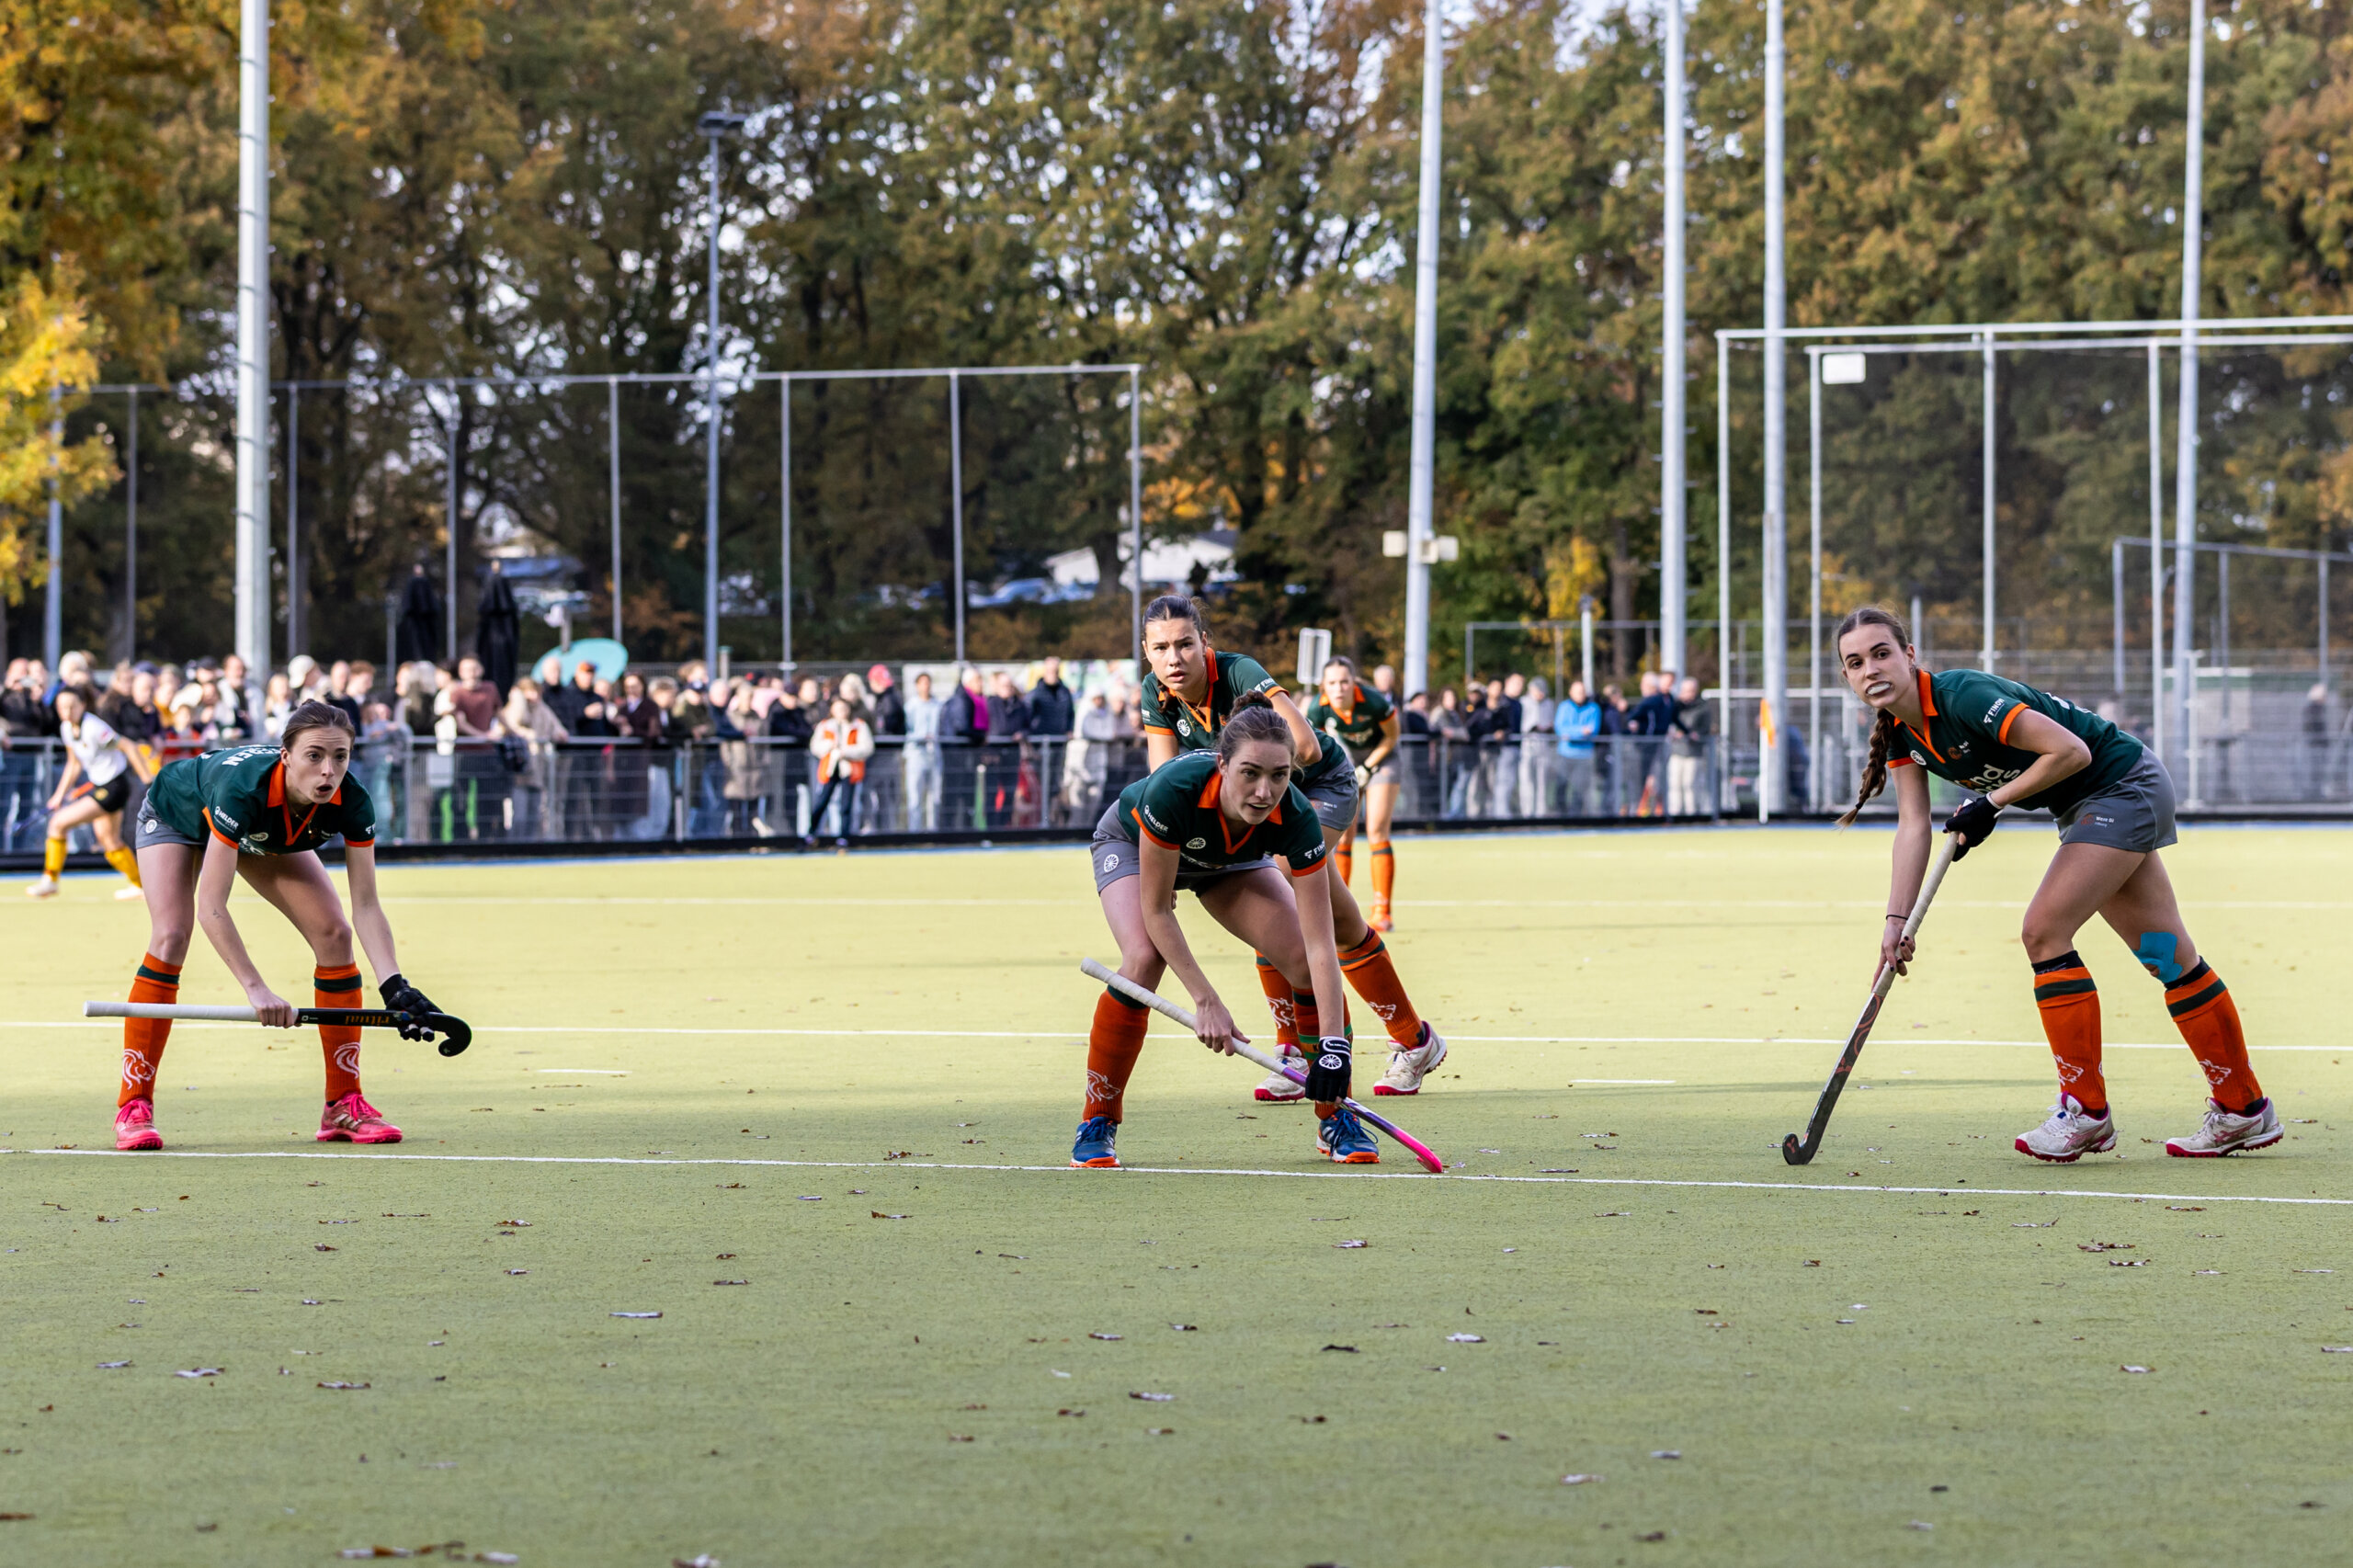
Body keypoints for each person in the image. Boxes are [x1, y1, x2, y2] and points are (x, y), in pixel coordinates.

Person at [1835, 605, 2279, 1162]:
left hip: (2123, 786)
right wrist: (1896, 923)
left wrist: (1991, 803)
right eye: (1856, 662)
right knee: (2167, 955)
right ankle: (2244, 1109)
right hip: (2087, 806)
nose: (1872, 669)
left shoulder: (1963, 696)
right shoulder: (1903, 734)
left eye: (1881, 653)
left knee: (2043, 931)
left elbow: (2072, 751)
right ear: (1847, 676)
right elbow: (1913, 827)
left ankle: (2085, 1112)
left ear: (1909, 655)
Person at [1136, 596, 1446, 1100]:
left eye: (1185, 644)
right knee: (1330, 921)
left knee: (1281, 886)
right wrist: (1166, 858)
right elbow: (1163, 776)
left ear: (1204, 642)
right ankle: (1404, 1042)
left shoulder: (1238, 672)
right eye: (1161, 648)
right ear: (1147, 652)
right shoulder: (1156, 692)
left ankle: (1324, 1050)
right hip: (1261, 801)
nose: (1175, 658)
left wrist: (1248, 777)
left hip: (1317, 785)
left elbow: (1306, 747)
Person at [115, 701, 440, 1151]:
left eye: (340, 757)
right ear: (286, 757)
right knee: (171, 935)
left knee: (334, 934)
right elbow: (212, 906)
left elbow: (366, 905)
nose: (328, 771)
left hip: (258, 831)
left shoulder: (353, 800)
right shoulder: (242, 790)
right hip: (179, 814)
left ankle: (342, 1103)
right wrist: (256, 989)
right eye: (314, 756)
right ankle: (133, 1105)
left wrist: (394, 985)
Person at [1074, 701, 1368, 1168]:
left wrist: (1334, 1046)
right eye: (1250, 773)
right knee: (1144, 959)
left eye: (1279, 775)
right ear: (1223, 764)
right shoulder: (1174, 790)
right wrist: (1206, 1000)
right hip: (1131, 842)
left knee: (1298, 956)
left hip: (1229, 863)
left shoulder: (1297, 818)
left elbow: (1319, 944)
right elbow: (1156, 910)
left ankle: (1337, 1116)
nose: (1264, 792)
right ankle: (1098, 1119)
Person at [27, 687, 155, 900]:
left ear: (82, 705)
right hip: (101, 786)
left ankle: (50, 880)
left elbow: (129, 747)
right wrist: (59, 795)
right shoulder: (67, 728)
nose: (67, 712)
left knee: (58, 824)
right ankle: (141, 886)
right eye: (62, 707)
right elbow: (74, 763)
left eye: (72, 707)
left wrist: (148, 781)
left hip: (114, 787)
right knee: (110, 841)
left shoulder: (94, 727)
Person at [1306, 655, 1402, 930]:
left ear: (1353, 682)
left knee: (1376, 831)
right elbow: (1318, 746)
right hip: (1346, 764)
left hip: (1383, 759)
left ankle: (1382, 911)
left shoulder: (1375, 702)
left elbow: (1392, 736)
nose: (1339, 688)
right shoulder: (1318, 708)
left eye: (1344, 682)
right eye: (1332, 683)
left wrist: (1368, 767)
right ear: (1324, 685)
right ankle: (1338, 912)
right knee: (1342, 835)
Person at [806, 695, 876, 843]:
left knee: (846, 804)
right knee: (821, 802)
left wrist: (846, 752)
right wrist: (828, 746)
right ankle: (811, 833)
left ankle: (844, 836)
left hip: (849, 769)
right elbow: (815, 746)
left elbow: (867, 747)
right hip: (830, 769)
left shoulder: (858, 725)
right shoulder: (825, 725)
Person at [902, 671, 943, 831]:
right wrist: (921, 736)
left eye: (928, 683)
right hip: (916, 754)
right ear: (917, 685)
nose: (926, 686)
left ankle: (933, 831)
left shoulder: (937, 705)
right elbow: (906, 730)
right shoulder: (911, 706)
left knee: (935, 796)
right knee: (915, 796)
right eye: (923, 683)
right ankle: (915, 831)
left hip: (934, 754)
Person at [1666, 676, 1712, 816]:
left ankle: (1691, 813)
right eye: (1685, 690)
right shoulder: (1676, 706)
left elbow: (1705, 729)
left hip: (1693, 752)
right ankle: (1674, 813)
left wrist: (1694, 735)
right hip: (1676, 751)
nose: (1687, 694)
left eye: (1690, 691)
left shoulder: (1702, 707)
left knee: (1690, 784)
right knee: (1674, 784)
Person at [1555, 679, 1601, 815]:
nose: (1580, 694)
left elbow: (1593, 730)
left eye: (1582, 692)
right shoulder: (1564, 707)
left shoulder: (1593, 708)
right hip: (1565, 754)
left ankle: (1575, 816)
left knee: (1580, 788)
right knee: (1561, 785)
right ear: (1571, 692)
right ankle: (1561, 815)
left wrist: (1572, 733)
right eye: (1577, 692)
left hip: (1584, 755)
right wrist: (1581, 731)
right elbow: (1561, 730)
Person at [1027, 655, 1076, 740]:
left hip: (1060, 739)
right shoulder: (1034, 694)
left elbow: (1070, 713)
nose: (1053, 674)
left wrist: (1069, 730)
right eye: (1050, 671)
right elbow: (1027, 716)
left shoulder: (1065, 693)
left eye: (1055, 671)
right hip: (1039, 739)